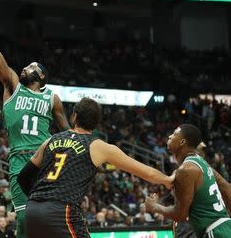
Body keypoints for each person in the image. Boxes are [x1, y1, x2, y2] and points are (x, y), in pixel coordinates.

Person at [0, 3, 70, 238]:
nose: (24, 67)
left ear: (41, 76)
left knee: (49, 218)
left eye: (31, 67)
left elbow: (69, 133)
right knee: (23, 218)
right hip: (19, 160)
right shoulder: (13, 84)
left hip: (45, 159)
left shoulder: (53, 99)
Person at [17, 98, 173, 238]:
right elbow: (146, 171)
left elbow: (23, 177)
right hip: (61, 210)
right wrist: (168, 180)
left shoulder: (50, 140)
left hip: (33, 211)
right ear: (96, 123)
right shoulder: (97, 146)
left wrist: (38, 200)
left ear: (74, 116)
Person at [145, 124, 231, 238]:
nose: (170, 136)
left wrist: (155, 207)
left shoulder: (186, 170)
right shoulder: (201, 163)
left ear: (182, 142)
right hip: (224, 227)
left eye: (175, 134)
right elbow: (227, 188)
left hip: (214, 232)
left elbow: (180, 215)